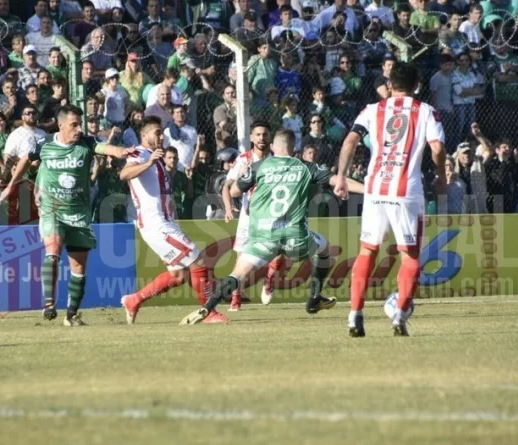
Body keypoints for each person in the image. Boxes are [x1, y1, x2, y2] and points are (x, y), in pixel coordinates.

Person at [180, 129, 365, 326]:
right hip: (296, 236)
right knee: (325, 249)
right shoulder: (304, 166)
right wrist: (369, 190)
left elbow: (233, 191)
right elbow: (337, 180)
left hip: (263, 236)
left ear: (273, 147)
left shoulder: (259, 166)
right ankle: (314, 298)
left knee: (237, 275)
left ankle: (208, 308)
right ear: (293, 148)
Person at [334, 62, 447, 338]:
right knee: (410, 256)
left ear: (390, 84)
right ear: (417, 85)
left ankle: (354, 315)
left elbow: (349, 142)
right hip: (406, 190)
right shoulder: (426, 112)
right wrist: (441, 174)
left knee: (367, 251)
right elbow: (437, 147)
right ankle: (399, 314)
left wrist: (341, 177)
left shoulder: (372, 110)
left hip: (375, 189)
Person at [0, 105, 137, 326]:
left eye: (79, 124)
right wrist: (11, 185)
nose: (78, 129)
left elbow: (107, 148)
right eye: (74, 125)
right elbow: (25, 159)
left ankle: (71, 315)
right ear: (60, 124)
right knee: (53, 250)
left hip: (79, 213)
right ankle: (49, 304)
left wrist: (123, 151)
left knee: (79, 268)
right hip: (51, 209)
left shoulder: (87, 143)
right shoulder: (44, 144)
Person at [119, 116, 227, 325]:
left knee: (179, 275)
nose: (161, 136)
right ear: (144, 135)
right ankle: (208, 313)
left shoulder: (157, 158)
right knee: (198, 261)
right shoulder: (140, 153)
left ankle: (134, 300)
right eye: (156, 133)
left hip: (165, 224)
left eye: (162, 133)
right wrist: (149, 161)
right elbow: (124, 174)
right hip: (156, 224)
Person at [221, 120, 286, 312]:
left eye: (265, 134)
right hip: (249, 216)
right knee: (241, 259)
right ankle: (236, 299)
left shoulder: (279, 159)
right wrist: (227, 207)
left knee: (280, 254)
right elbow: (227, 185)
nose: (261, 138)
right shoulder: (243, 160)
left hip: (274, 214)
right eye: (258, 134)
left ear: (270, 137)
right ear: (251, 137)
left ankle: (269, 280)